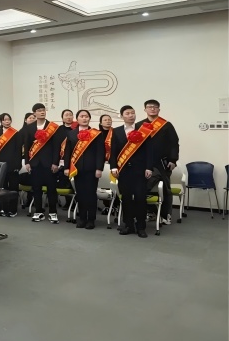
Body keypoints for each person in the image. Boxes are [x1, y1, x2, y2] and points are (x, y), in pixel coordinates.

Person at [111, 105, 154, 238]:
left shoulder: (143, 130)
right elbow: (113, 151)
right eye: (128, 113)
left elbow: (150, 150)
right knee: (126, 198)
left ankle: (141, 227)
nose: (131, 115)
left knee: (141, 198)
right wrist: (113, 167)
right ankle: (128, 225)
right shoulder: (116, 131)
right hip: (123, 171)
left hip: (140, 170)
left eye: (133, 113)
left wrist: (149, 167)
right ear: (122, 116)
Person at [136, 99, 179, 224]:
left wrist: (173, 160)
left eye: (155, 107)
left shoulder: (166, 125)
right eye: (149, 106)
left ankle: (166, 215)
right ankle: (152, 212)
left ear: (159, 109)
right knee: (142, 186)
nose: (152, 109)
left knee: (165, 188)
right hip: (144, 162)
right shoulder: (139, 125)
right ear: (145, 109)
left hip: (163, 162)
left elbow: (174, 144)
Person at [23, 103, 66, 223]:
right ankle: (38, 211)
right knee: (36, 189)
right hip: (35, 163)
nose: (42, 112)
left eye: (43, 110)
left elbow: (56, 146)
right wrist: (27, 162)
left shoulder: (53, 127)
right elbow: (27, 146)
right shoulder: (29, 128)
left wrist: (55, 163)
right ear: (34, 113)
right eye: (39, 110)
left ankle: (53, 212)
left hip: (49, 163)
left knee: (51, 189)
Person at [63, 110, 105, 229]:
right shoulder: (71, 134)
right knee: (80, 194)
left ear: (89, 119)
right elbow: (67, 152)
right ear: (77, 119)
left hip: (92, 169)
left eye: (86, 116)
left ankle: (91, 219)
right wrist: (66, 167)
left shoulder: (96, 134)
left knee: (91, 194)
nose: (84, 118)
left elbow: (100, 152)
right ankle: (82, 218)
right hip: (77, 169)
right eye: (82, 116)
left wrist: (99, 168)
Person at [0, 113, 22, 217]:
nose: (7, 121)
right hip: (0, 164)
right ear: (1, 121)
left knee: (13, 188)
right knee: (2, 188)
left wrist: (17, 165)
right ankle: (3, 208)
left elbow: (18, 150)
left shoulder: (15, 133)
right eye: (5, 120)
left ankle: (13, 210)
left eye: (9, 119)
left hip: (13, 164)